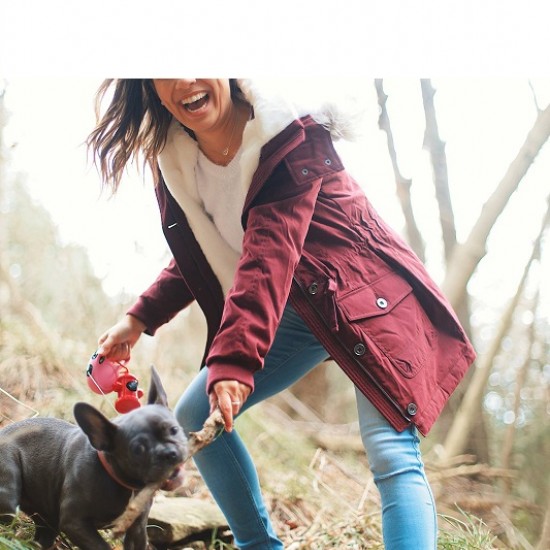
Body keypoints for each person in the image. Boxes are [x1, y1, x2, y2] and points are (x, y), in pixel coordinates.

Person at [88, 79, 476, 550]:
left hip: (368, 295)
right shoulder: (179, 159)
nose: (186, 78)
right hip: (294, 304)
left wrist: (234, 362)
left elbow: (268, 253)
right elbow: (212, 252)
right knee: (194, 413)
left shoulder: (286, 133)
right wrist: (139, 318)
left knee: (391, 452)